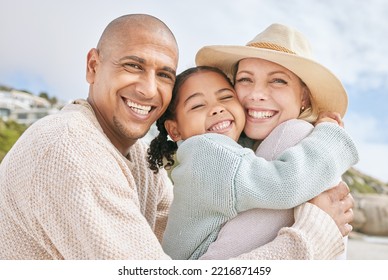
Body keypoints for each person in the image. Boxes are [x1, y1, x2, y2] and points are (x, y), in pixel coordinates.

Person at [0, 14, 353, 260]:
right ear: (93, 66)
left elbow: (169, 236)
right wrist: (313, 238)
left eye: (165, 74)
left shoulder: (140, 159)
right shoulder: (71, 148)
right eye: (133, 65)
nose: (148, 89)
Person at [147, 63, 358, 259]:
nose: (217, 109)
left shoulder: (229, 149)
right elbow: (283, 184)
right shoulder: (206, 151)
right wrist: (330, 138)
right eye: (198, 105)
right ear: (174, 130)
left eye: (226, 97)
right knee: (301, 137)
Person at [196, 23, 354, 260]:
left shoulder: (293, 135)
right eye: (245, 79)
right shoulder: (244, 149)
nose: (256, 94)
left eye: (278, 81)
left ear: (304, 97)